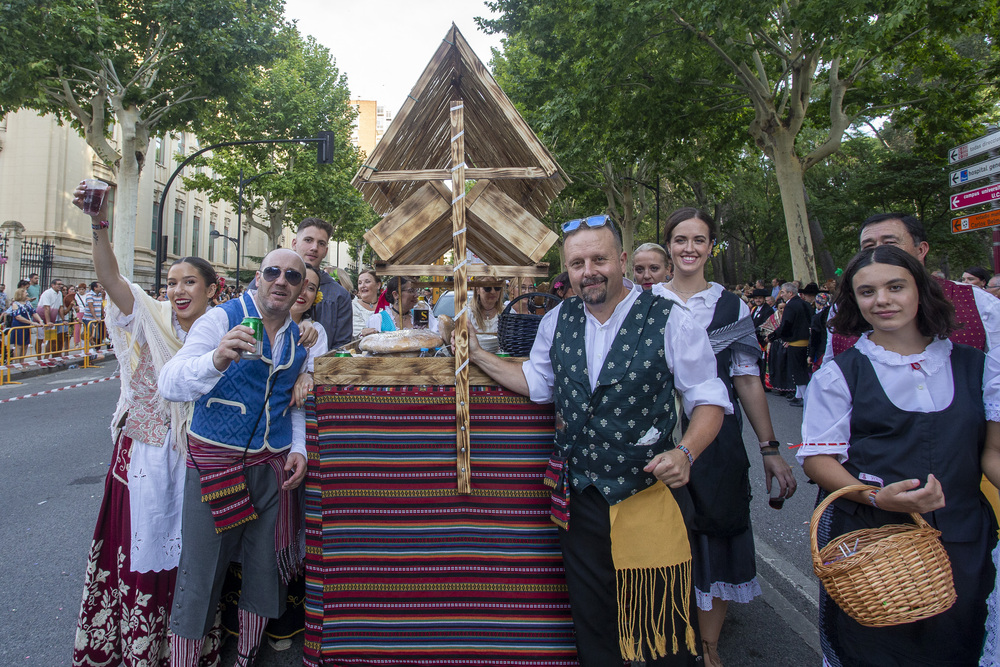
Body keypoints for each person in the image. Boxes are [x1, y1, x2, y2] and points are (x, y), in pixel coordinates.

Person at [465, 214, 730, 666]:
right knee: (595, 624)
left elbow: (707, 397)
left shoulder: (670, 318)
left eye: (599, 259)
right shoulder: (556, 319)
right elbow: (537, 380)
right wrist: (475, 353)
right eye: (577, 262)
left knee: (657, 626)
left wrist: (687, 451)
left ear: (622, 260)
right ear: (566, 270)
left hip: (648, 493)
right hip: (582, 498)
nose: (588, 270)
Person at [799, 245, 996, 666]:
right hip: (877, 546)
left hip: (963, 540)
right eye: (867, 291)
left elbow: (992, 454)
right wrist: (875, 496)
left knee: (958, 648)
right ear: (855, 302)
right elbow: (818, 460)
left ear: (920, 291)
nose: (882, 300)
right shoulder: (840, 374)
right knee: (876, 653)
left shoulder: (978, 366)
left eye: (895, 286)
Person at [70, 181, 222, 666]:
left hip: (198, 458)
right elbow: (111, 277)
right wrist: (99, 224)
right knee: (139, 554)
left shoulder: (224, 330)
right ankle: (135, 647)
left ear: (211, 289)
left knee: (191, 560)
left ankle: (185, 648)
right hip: (142, 458)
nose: (177, 290)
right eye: (171, 282)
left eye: (188, 282)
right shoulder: (148, 317)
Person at [655, 208, 797, 666]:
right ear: (669, 246)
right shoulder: (644, 301)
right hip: (656, 439)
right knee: (663, 538)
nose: (689, 248)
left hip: (717, 440)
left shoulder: (731, 306)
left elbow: (747, 379)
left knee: (717, 533)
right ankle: (665, 634)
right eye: (680, 240)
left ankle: (710, 645)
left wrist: (770, 449)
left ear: (711, 247)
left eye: (698, 240)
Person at [159, 248, 311, 666]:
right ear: (258, 278)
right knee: (200, 575)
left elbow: (292, 403)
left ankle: (245, 658)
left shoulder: (300, 336)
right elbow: (170, 381)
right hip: (215, 468)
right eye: (273, 272)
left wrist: (297, 448)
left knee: (264, 574)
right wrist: (216, 357)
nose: (281, 281)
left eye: (292, 277)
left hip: (274, 469)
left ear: (301, 290)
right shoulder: (220, 319)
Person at [824, 212, 1000, 362]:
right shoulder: (843, 307)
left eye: (890, 243)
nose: (879, 253)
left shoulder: (978, 301)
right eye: (868, 247)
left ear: (921, 250)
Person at [251, 217, 353, 350]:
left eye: (321, 243)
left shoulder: (339, 295)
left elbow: (341, 347)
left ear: (326, 251)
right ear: (294, 243)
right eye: (308, 240)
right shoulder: (268, 280)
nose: (314, 248)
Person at [770, 283, 811, 407]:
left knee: (798, 370)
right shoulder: (805, 304)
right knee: (800, 369)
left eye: (783, 292)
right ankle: (798, 395)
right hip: (805, 340)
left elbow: (786, 325)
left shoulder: (791, 306)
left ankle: (804, 397)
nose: (781, 295)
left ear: (790, 293)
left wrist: (773, 336)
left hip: (796, 342)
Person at [2, 286, 40, 361]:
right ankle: (17, 362)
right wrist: (31, 322)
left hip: (27, 327)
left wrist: (40, 321)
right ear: (20, 294)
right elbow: (18, 317)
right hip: (18, 327)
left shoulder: (28, 303)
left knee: (25, 345)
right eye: (25, 292)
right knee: (19, 345)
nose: (27, 293)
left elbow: (34, 313)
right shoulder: (15, 304)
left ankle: (22, 362)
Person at [352, 268, 380, 337]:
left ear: (378, 285)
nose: (362, 286)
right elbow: (357, 333)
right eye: (360, 283)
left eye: (367, 282)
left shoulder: (386, 306)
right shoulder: (353, 306)